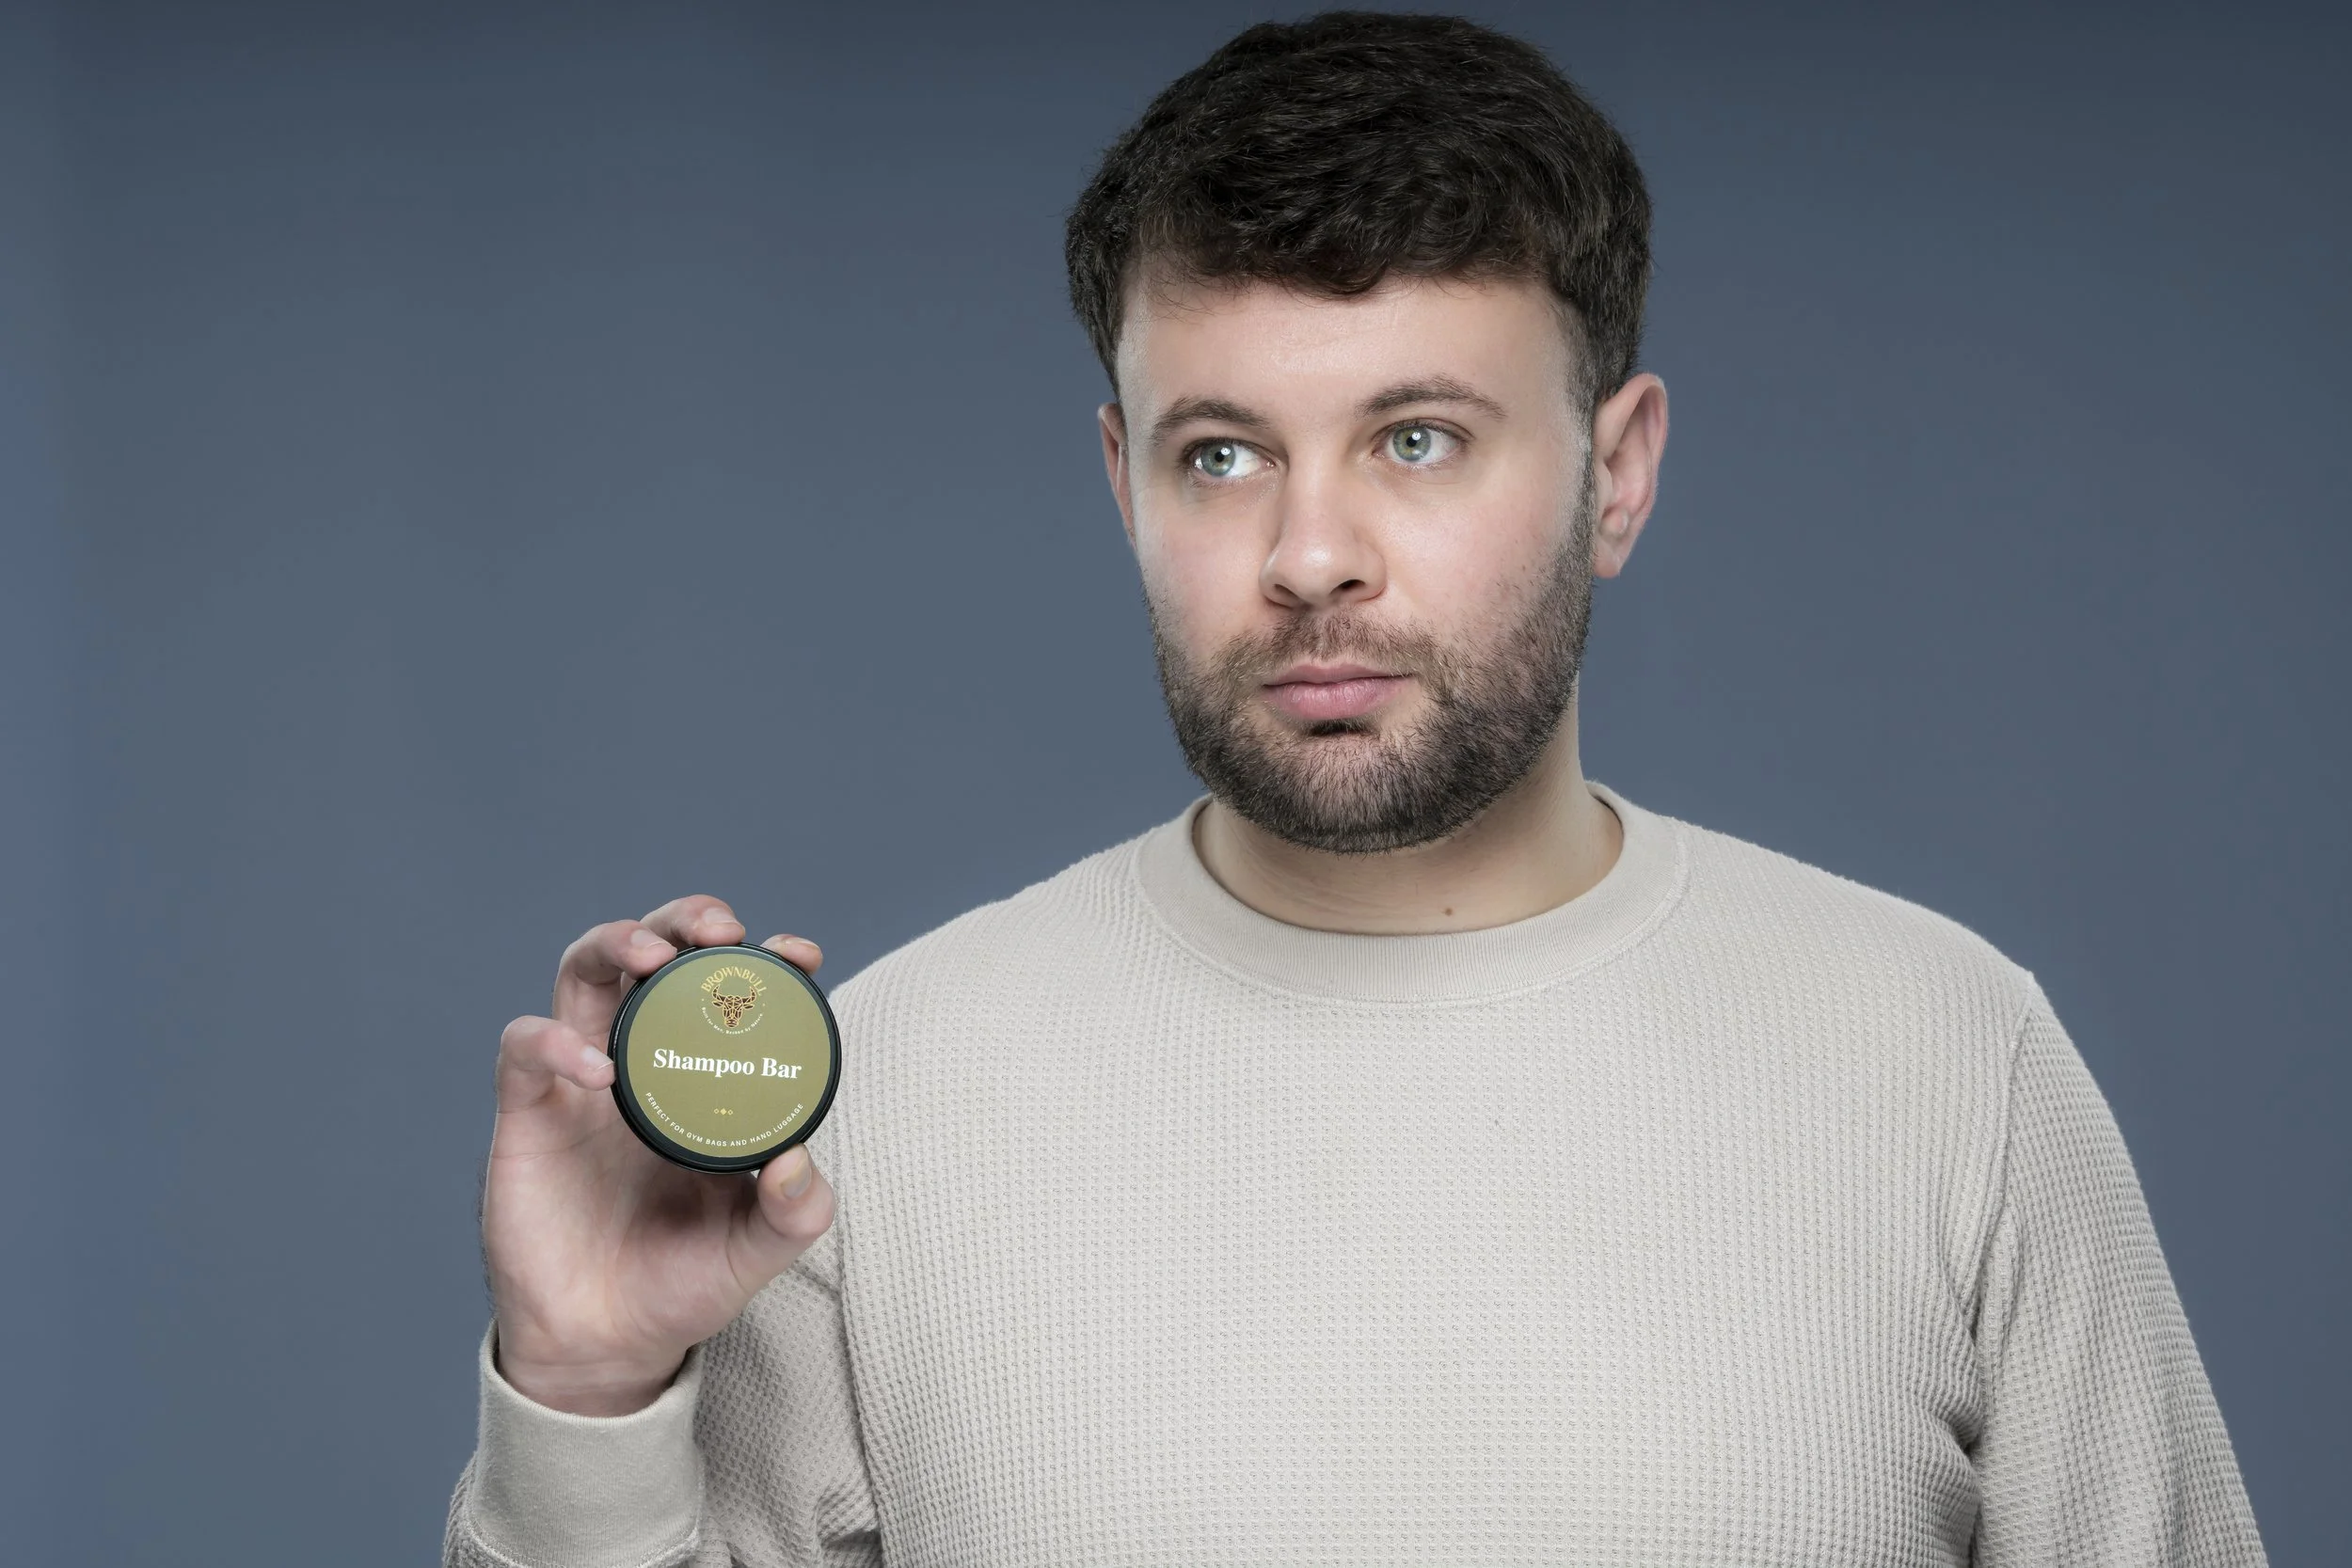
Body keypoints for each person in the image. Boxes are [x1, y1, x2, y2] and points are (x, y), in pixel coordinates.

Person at [442, 12, 2265, 1566]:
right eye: (1220, 452)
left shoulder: (1948, 1060)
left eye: (1414, 437)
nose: (1309, 553)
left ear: (1614, 473)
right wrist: (585, 1396)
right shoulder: (864, 1123)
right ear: (1119, 482)